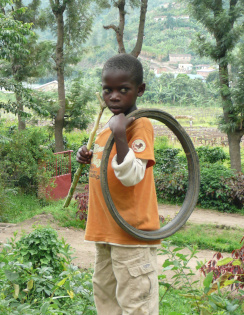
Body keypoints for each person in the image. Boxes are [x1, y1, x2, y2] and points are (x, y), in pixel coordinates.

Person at [76, 53, 161, 315]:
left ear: (140, 90)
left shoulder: (139, 126)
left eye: (123, 90)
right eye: (108, 90)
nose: (114, 96)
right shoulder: (109, 127)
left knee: (136, 304)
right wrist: (87, 157)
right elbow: (106, 166)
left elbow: (132, 175)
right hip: (105, 233)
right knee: (106, 300)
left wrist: (121, 136)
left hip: (131, 235)